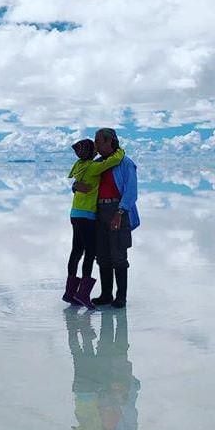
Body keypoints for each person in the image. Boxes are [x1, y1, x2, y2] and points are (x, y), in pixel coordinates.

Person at [78, 128, 138, 308]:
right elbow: (84, 181)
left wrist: (120, 212)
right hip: (98, 211)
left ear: (109, 141)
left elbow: (131, 191)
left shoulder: (125, 163)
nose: (95, 145)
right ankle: (106, 295)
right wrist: (76, 186)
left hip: (117, 210)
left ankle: (121, 297)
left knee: (118, 255)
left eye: (98, 141)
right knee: (102, 255)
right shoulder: (96, 164)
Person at [63, 138, 124, 310]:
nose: (96, 151)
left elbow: (77, 184)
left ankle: (70, 292)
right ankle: (82, 294)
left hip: (75, 213)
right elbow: (114, 160)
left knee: (76, 251)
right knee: (90, 252)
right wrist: (119, 149)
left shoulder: (78, 165)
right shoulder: (93, 167)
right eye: (93, 149)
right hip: (87, 215)